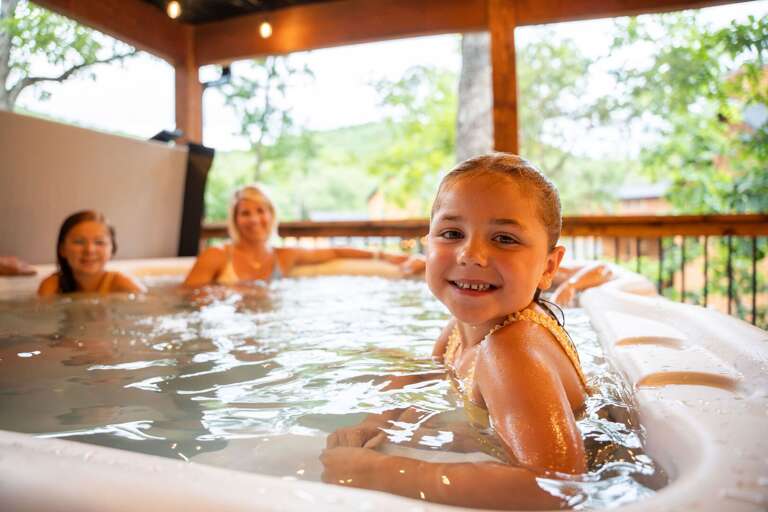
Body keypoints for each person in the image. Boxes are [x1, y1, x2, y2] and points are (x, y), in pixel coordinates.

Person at [321, 153, 589, 509]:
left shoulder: (510, 350)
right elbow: (423, 373)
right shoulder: (461, 329)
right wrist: (375, 423)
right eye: (452, 233)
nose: (471, 254)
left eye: (504, 238)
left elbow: (557, 488)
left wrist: (381, 473)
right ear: (428, 243)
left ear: (548, 267)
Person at [183, 184, 423, 287]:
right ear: (235, 219)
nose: (254, 219)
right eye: (245, 213)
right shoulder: (217, 256)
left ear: (271, 215)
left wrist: (385, 256)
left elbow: (335, 251)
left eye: (260, 211)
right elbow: (186, 302)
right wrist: (223, 294)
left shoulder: (284, 257)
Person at [38, 210, 145, 297]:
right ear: (62, 250)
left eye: (99, 242)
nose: (89, 250)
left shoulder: (124, 286)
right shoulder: (53, 286)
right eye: (79, 242)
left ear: (112, 249)